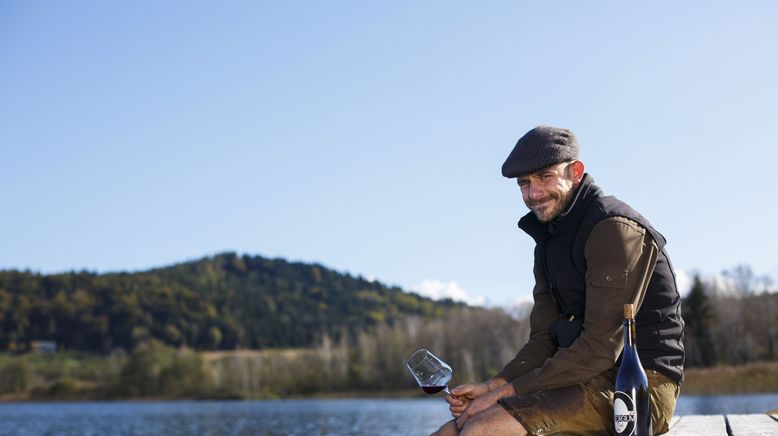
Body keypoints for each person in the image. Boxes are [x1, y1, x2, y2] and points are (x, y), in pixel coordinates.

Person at [432, 126, 684, 436]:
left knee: (480, 430)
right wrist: (491, 386)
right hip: (577, 380)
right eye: (524, 183)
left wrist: (503, 395)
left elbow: (599, 349)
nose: (533, 193)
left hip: (639, 388)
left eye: (544, 177)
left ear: (575, 172)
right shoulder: (548, 239)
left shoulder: (613, 229)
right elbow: (543, 342)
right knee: (449, 431)